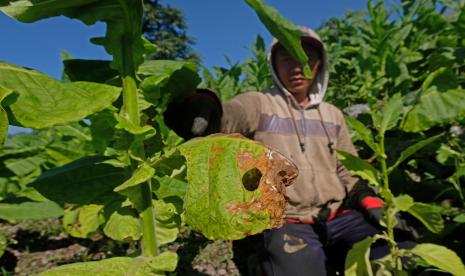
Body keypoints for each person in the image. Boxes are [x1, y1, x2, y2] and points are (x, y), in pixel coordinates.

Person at [164, 27, 414, 275]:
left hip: (337, 216)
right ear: (274, 64)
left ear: (319, 64)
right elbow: (228, 117)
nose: (296, 67)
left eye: (305, 59)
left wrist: (369, 200)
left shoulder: (332, 115)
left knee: (402, 258)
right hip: (284, 220)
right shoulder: (259, 103)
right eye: (287, 58)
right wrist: (202, 104)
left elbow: (347, 169)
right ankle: (254, 258)